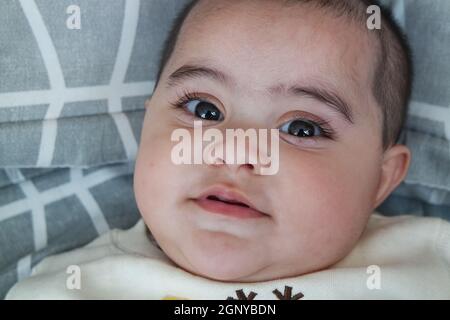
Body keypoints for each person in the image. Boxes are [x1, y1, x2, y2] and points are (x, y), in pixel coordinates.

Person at [7, 0, 450, 299]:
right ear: (147, 127)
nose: (236, 151)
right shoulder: (70, 286)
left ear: (381, 179)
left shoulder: (432, 259)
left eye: (301, 128)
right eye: (203, 109)